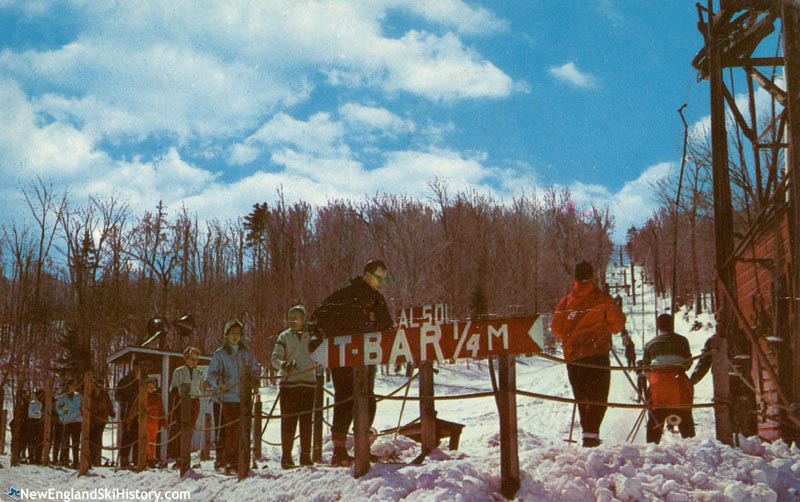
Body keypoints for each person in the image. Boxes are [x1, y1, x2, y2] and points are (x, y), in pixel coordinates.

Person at [311, 259, 394, 466]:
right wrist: (327, 337)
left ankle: (362, 447)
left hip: (367, 357)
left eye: (383, 279)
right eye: (377, 277)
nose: (379, 282)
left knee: (368, 400)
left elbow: (388, 327)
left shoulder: (377, 300)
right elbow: (319, 317)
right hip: (343, 357)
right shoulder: (344, 295)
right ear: (367, 274)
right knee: (344, 400)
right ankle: (339, 451)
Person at [550, 260, 627, 447]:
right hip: (596, 353)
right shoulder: (601, 298)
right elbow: (617, 324)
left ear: (575, 278)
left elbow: (555, 328)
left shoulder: (565, 302)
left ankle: (589, 435)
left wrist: (570, 339)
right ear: (592, 276)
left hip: (574, 357)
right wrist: (605, 328)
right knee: (598, 397)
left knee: (582, 397)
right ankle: (591, 435)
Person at [207, 319, 260, 474]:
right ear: (226, 335)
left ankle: (241, 458)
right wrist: (219, 381)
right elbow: (211, 374)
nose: (235, 336)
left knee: (243, 429)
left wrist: (255, 381)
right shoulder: (220, 354)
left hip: (243, 398)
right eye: (232, 333)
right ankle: (228, 460)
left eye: (238, 333)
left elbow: (255, 369)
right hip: (226, 397)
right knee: (228, 431)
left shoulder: (247, 353)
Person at [271, 305, 316, 469]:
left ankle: (305, 456)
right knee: (288, 421)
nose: (293, 320)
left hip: (308, 383)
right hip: (289, 384)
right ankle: (287, 456)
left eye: (296, 317)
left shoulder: (311, 335)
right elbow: (274, 358)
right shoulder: (284, 336)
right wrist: (284, 365)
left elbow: (322, 352)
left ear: (304, 319)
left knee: (306, 421)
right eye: (290, 317)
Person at [642, 313, 695, 443]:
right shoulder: (682, 341)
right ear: (672, 325)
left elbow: (646, 367)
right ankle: (690, 441)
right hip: (678, 383)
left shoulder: (650, 344)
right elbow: (687, 363)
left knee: (655, 415)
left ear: (658, 326)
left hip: (658, 385)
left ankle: (652, 443)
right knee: (685, 414)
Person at [168, 346, 205, 469]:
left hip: (194, 401)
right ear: (186, 358)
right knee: (180, 428)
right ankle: (179, 457)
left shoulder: (199, 373)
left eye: (196, 359)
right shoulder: (178, 371)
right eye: (192, 358)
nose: (194, 361)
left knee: (190, 429)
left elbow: (202, 387)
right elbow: (172, 386)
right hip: (182, 401)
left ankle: (186, 456)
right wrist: (174, 391)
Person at [116, 359, 151, 468]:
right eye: (138, 366)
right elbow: (117, 395)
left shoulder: (144, 379)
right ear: (134, 367)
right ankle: (124, 459)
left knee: (139, 435)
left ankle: (138, 459)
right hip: (128, 410)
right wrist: (125, 400)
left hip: (140, 411)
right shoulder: (125, 380)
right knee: (127, 435)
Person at [127, 377, 167, 467]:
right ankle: (141, 458)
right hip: (144, 422)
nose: (151, 389)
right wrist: (129, 420)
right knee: (143, 440)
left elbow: (161, 410)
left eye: (153, 387)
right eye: (149, 387)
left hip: (154, 422)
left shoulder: (157, 397)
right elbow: (134, 408)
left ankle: (150, 459)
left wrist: (163, 421)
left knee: (152, 442)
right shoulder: (142, 395)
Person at [55, 379, 83, 468]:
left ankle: (76, 461)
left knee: (76, 442)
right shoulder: (63, 398)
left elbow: (84, 405)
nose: (72, 387)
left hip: (77, 420)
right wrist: (63, 412)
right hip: (67, 421)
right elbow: (58, 408)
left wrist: (82, 411)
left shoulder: (79, 397)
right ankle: (64, 460)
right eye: (71, 386)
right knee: (65, 442)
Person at [89, 378, 114, 467]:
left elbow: (109, 404)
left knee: (98, 438)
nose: (98, 388)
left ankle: (96, 459)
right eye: (97, 386)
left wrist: (112, 413)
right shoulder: (90, 394)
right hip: (92, 419)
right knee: (91, 439)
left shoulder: (105, 394)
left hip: (101, 419)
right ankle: (91, 459)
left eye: (100, 386)